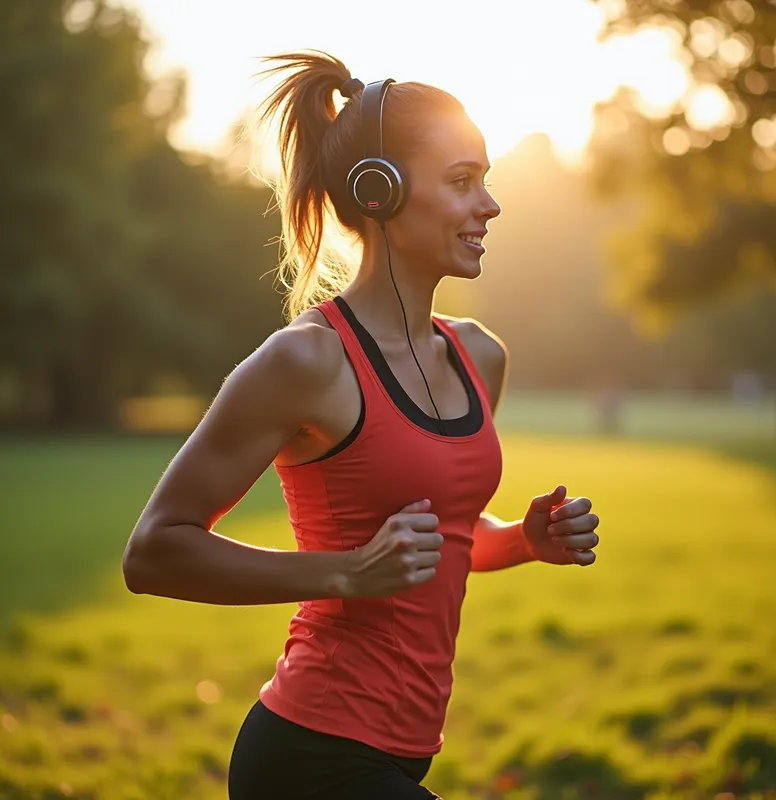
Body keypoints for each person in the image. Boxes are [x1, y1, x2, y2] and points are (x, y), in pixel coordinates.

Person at [122, 50, 601, 800]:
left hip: (406, 751)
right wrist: (340, 572)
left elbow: (443, 542)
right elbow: (153, 553)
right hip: (310, 754)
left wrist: (524, 542)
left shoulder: (480, 356)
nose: (492, 205)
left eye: (488, 179)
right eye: (463, 181)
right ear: (379, 191)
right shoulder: (306, 363)